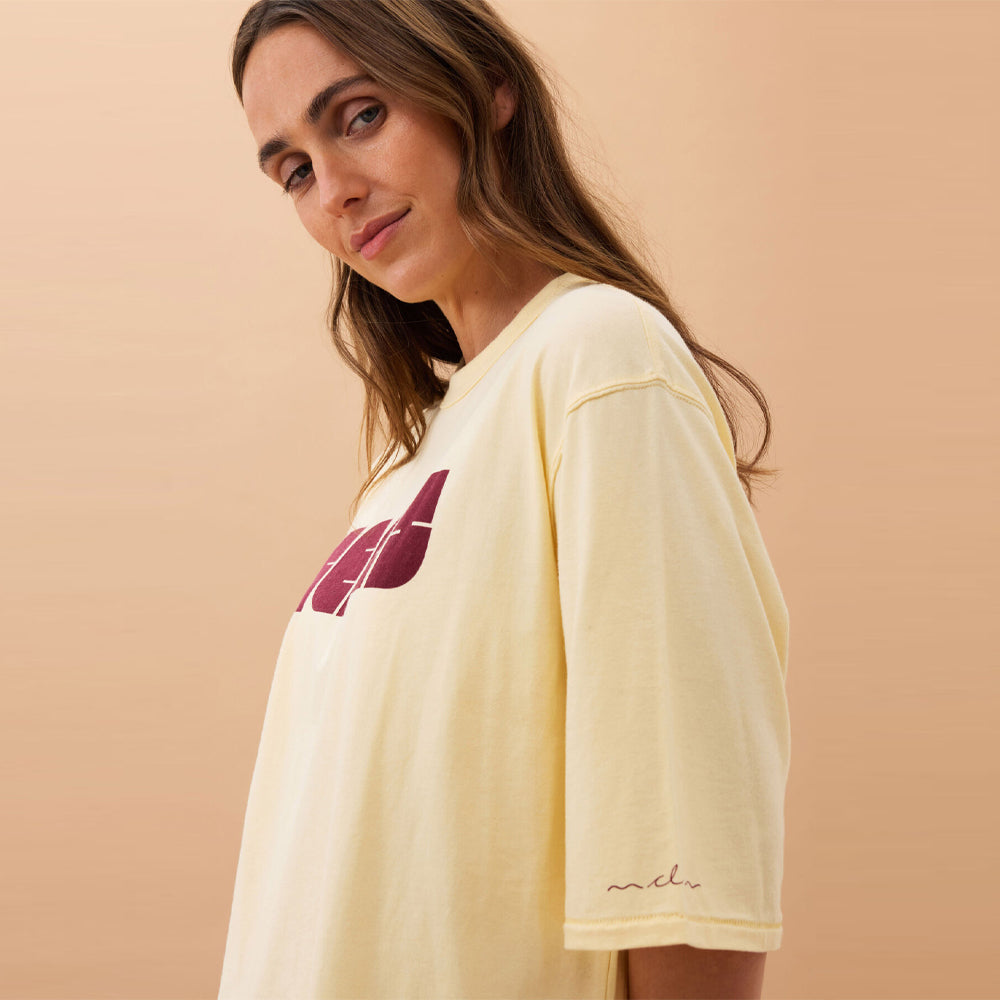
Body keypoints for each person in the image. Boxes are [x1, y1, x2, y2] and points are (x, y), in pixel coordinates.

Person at [218, 2, 791, 998]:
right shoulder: (412, 453)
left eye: (360, 116)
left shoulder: (601, 359)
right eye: (295, 171)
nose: (336, 190)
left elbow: (680, 824)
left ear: (487, 91)